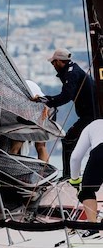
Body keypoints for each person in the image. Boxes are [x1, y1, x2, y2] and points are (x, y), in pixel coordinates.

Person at [33, 48, 98, 178]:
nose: (53, 66)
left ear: (58, 61)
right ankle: (72, 175)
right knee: (77, 141)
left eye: (53, 63)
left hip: (92, 115)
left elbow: (66, 96)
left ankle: (69, 176)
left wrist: (45, 100)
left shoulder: (71, 73)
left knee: (68, 140)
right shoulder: (72, 70)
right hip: (92, 113)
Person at [69, 119, 103, 237]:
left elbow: (75, 158)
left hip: (101, 151)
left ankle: (93, 229)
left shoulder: (92, 125)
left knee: (87, 191)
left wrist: (74, 179)